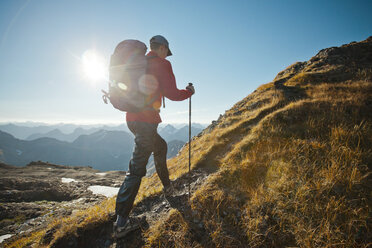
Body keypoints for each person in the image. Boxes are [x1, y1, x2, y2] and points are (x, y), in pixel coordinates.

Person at [113, 35, 195, 238]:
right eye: (167, 51)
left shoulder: (138, 63)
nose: (168, 55)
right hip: (146, 121)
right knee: (136, 169)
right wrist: (189, 91)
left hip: (132, 119)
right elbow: (173, 93)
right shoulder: (161, 63)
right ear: (163, 48)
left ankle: (168, 189)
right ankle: (121, 222)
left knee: (160, 147)